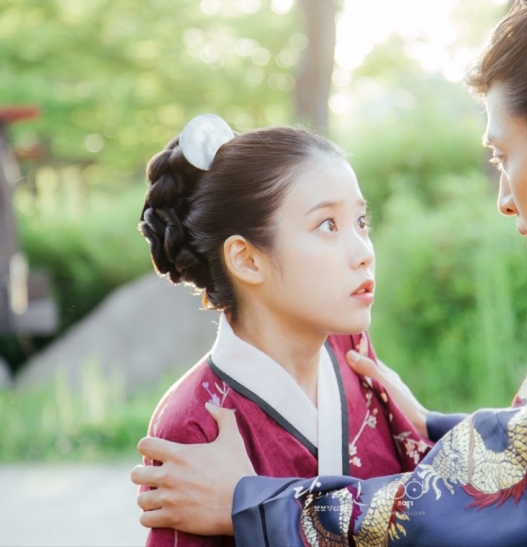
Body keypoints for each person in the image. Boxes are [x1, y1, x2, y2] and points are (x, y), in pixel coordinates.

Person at [131, 0, 527, 545]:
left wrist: (255, 505)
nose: (504, 199)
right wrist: (432, 429)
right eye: (326, 224)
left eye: (501, 156)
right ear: (245, 257)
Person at [135, 114, 431, 546]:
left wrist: (426, 423)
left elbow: (428, 508)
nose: (364, 252)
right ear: (247, 259)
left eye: (361, 222)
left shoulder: (352, 353)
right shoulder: (195, 423)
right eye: (328, 225)